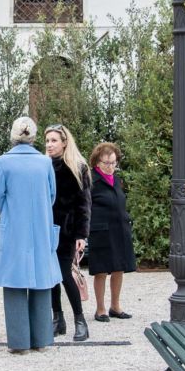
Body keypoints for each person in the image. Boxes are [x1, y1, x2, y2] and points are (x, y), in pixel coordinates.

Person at [0, 116, 60, 353]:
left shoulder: (2, 162)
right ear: (33, 136)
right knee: (41, 280)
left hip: (14, 228)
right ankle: (41, 338)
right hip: (40, 226)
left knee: (13, 281)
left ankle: (19, 341)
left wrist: (12, 211)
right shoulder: (45, 162)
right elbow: (51, 195)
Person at [44, 123, 91, 343]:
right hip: (46, 228)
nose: (49, 144)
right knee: (51, 276)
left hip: (67, 229)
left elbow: (84, 204)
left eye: (54, 140)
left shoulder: (77, 166)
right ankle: (57, 319)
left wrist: (81, 234)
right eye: (47, 141)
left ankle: (80, 320)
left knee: (63, 274)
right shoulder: (43, 165)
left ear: (64, 142)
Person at [88, 142, 137, 322]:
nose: (110, 167)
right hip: (100, 231)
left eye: (113, 163)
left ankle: (115, 306)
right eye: (106, 163)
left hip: (120, 229)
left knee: (119, 268)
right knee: (101, 270)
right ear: (97, 162)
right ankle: (100, 309)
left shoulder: (116, 180)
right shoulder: (91, 179)